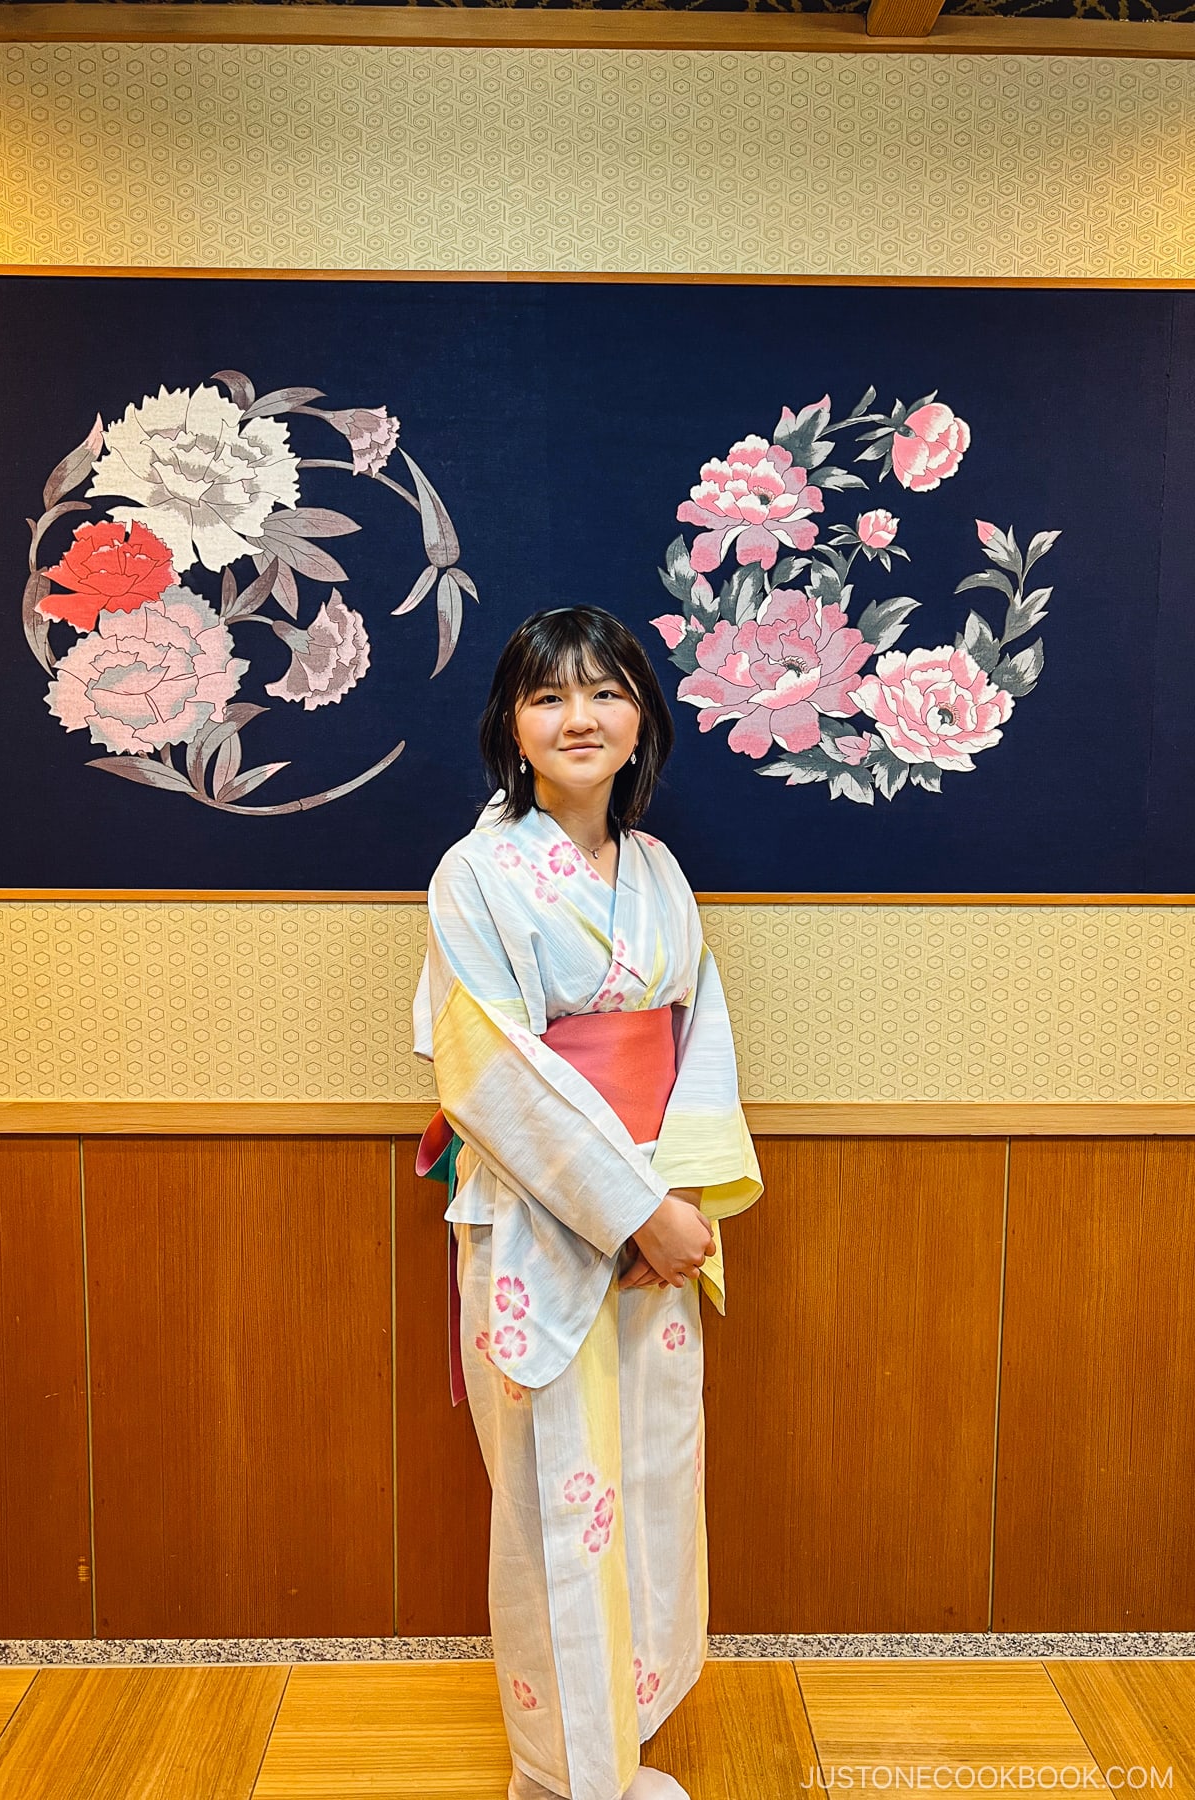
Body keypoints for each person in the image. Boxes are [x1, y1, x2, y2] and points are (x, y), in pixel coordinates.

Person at [412, 605, 763, 1800]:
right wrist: (626, 1210)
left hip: (656, 1210)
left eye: (606, 692)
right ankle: (566, 1778)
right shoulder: (476, 874)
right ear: (511, 726)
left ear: (640, 721)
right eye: (548, 696)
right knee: (565, 1498)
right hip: (540, 1219)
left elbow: (697, 1036)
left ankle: (624, 1737)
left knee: (650, 1476)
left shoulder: (658, 874)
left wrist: (674, 1201)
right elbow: (485, 1064)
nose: (579, 718)